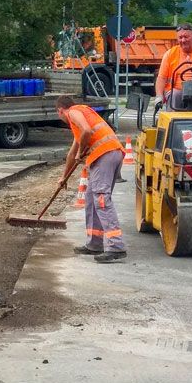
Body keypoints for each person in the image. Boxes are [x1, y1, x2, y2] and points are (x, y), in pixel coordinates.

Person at [56, 95, 127, 263]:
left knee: (101, 199)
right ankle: (94, 243)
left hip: (106, 155)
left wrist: (82, 152)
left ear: (60, 110)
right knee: (91, 199)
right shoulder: (80, 120)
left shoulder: (74, 112)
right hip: (111, 154)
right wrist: (63, 177)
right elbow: (72, 154)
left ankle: (116, 246)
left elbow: (87, 132)